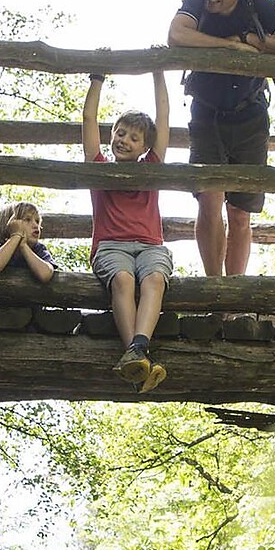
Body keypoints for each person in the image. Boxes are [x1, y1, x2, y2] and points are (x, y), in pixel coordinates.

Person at [166, 0, 275, 276]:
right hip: (206, 114)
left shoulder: (258, 3)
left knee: (241, 211)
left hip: (250, 116)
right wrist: (229, 46)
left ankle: (234, 294)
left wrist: (252, 39)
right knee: (209, 200)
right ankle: (215, 290)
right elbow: (176, 35)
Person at [83, 71, 173, 393]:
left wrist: (158, 71)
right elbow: (88, 117)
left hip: (150, 247)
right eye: (120, 133)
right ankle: (137, 354)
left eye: (134, 138)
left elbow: (163, 116)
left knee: (155, 279)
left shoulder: (152, 167)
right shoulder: (98, 166)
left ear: (145, 146)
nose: (124, 140)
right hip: (110, 247)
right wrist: (97, 78)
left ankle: (137, 353)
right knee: (122, 279)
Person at [0, 201, 55, 282]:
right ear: (10, 225)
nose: (36, 225)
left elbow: (45, 274)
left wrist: (23, 246)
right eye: (28, 220)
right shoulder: (1, 248)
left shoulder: (39, 249)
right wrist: (16, 235)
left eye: (37, 221)